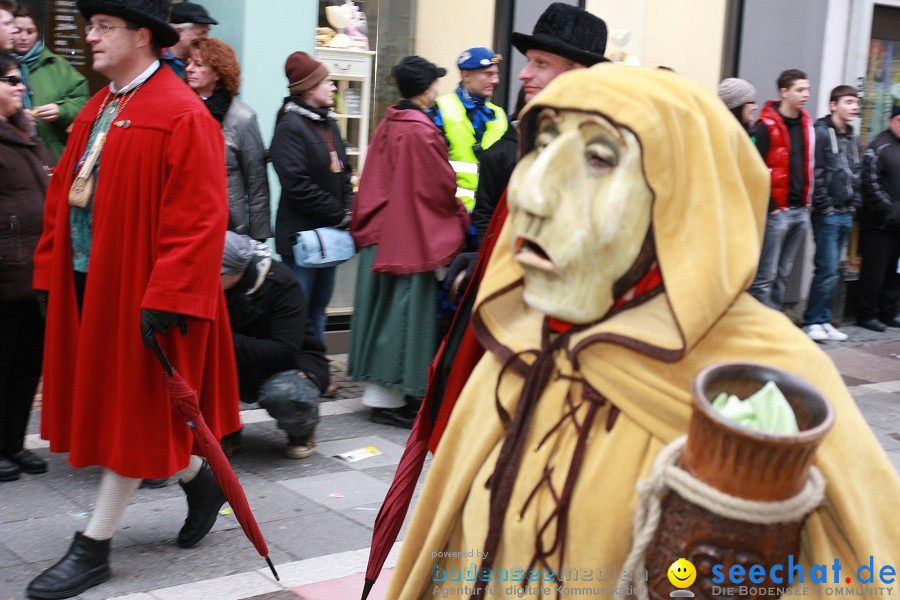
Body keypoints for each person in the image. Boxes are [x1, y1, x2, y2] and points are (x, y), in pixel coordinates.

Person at [386, 64, 900, 599]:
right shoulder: (517, 347)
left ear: (680, 203)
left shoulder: (770, 376)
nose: (531, 195)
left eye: (599, 158)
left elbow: (860, 567)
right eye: (541, 146)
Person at [27, 1, 240, 598]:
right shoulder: (100, 105)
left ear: (141, 37)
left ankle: (93, 545)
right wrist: (50, 275)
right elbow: (62, 198)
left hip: (144, 292)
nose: (90, 37)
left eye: (103, 28)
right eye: (91, 26)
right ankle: (201, 480)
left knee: (134, 410)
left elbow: (201, 215)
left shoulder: (182, 113)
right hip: (92, 286)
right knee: (124, 407)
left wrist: (168, 292)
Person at [348, 56, 468, 428]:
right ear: (425, 87)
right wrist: (459, 214)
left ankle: (383, 395)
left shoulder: (391, 120)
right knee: (403, 315)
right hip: (410, 235)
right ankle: (392, 398)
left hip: (384, 232)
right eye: (435, 82)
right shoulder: (419, 129)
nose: (438, 87)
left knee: (381, 314)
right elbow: (437, 186)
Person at [470, 3, 608, 245]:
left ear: (579, 72)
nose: (523, 73)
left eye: (541, 63)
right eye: (529, 61)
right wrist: (487, 258)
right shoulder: (530, 133)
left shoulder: (603, 148)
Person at [221, 232, 328, 458]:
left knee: (284, 395)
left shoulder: (280, 282)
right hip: (234, 360)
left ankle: (302, 430)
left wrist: (221, 340)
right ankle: (226, 430)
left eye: (217, 273)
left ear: (236, 271)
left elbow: (283, 350)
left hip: (288, 364)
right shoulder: (216, 285)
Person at [270, 51, 353, 341]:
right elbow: (297, 186)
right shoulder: (289, 128)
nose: (333, 87)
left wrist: (349, 208)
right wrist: (339, 214)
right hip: (301, 242)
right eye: (327, 82)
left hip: (328, 236)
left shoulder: (329, 123)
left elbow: (344, 172)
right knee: (298, 312)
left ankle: (314, 370)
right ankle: (296, 374)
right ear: (308, 88)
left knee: (318, 309)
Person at [0, 54, 52, 483]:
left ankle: (13, 445)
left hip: (32, 273)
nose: (20, 87)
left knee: (24, 366)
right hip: (5, 272)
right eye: (10, 80)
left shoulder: (27, 133)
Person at [185, 37, 272, 240]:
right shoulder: (180, 110)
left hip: (228, 228)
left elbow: (256, 181)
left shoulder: (242, 117)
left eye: (198, 65)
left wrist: (258, 238)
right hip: (185, 220)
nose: (189, 69)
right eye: (188, 62)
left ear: (217, 73)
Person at [748, 69, 814, 310]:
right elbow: (755, 169)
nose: (806, 94)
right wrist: (771, 207)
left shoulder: (807, 124)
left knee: (783, 273)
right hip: (777, 212)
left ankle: (774, 325)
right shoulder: (765, 126)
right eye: (800, 90)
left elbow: (809, 164)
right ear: (784, 92)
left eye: (807, 89)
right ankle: (758, 327)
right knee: (765, 276)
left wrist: (807, 204)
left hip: (799, 209)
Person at [802, 85, 861, 341]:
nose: (854, 107)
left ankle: (824, 320)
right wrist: (824, 205)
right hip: (828, 213)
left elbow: (855, 170)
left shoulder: (851, 134)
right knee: (826, 268)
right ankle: (812, 321)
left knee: (834, 270)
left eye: (855, 102)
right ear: (833, 105)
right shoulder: (822, 133)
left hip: (846, 211)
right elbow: (816, 171)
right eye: (848, 102)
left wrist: (854, 202)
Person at [11, 4, 89, 163]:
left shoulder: (56, 65)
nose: (24, 37)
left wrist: (61, 110)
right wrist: (15, 117)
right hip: (11, 158)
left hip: (51, 157)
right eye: (17, 31)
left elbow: (84, 102)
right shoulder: (3, 66)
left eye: (30, 32)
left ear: (38, 34)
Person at [433, 47, 508, 213]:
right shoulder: (439, 109)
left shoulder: (499, 115)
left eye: (496, 74)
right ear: (466, 75)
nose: (495, 81)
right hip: (451, 215)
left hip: (488, 217)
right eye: (488, 74)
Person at [857, 105, 900, 331]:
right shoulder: (879, 145)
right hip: (879, 224)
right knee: (875, 271)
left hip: (898, 226)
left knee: (895, 273)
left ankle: (889, 311)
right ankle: (867, 314)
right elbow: (869, 183)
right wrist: (890, 211)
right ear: (892, 120)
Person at [161, 0, 216, 78]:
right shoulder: (155, 60)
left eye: (207, 33)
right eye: (201, 33)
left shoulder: (208, 64)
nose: (206, 38)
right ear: (179, 32)